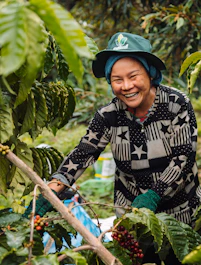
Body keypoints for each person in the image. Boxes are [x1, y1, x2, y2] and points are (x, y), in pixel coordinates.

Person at [23, 32, 201, 227]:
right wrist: (51, 191)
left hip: (181, 211)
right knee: (132, 255)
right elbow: (83, 153)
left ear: (149, 73)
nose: (126, 86)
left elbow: (184, 157)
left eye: (133, 76)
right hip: (131, 213)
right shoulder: (109, 115)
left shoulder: (176, 104)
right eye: (117, 79)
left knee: (181, 255)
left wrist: (154, 194)